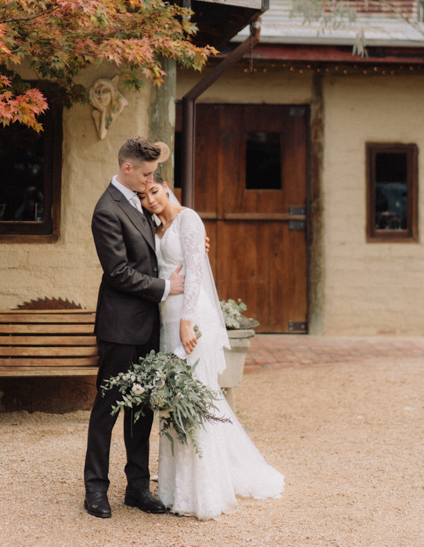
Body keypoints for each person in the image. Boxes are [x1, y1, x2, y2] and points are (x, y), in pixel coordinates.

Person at [139, 172, 285, 520]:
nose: (152, 201)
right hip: (166, 321)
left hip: (191, 320)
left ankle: (203, 491)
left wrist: (188, 321)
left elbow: (196, 272)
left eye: (155, 192)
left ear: (166, 188)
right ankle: (177, 489)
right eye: (144, 197)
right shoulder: (155, 229)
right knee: (177, 402)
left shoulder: (189, 219)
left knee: (199, 397)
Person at [83, 137, 186, 519]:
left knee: (142, 407)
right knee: (108, 408)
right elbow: (118, 273)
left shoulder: (143, 203)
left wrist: (192, 245)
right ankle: (95, 490)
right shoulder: (106, 210)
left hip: (149, 327)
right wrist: (165, 288)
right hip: (120, 326)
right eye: (145, 173)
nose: (150, 181)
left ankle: (138, 488)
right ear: (127, 169)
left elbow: (165, 237)